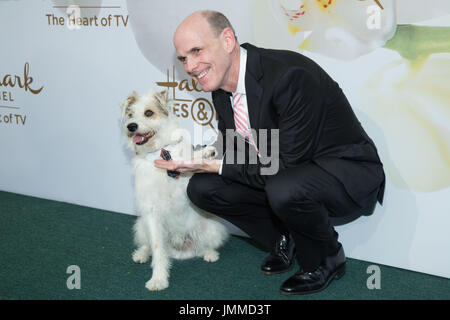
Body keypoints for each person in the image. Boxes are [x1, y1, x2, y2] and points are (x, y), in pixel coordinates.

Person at [155, 10, 385, 295]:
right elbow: (235, 148)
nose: (190, 66)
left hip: (347, 171)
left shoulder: (289, 76)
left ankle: (326, 258)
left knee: (282, 187)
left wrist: (218, 165)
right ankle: (284, 237)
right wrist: (193, 157)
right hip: (288, 172)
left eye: (196, 51)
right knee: (202, 188)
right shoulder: (220, 88)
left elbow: (283, 166)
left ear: (227, 40)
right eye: (183, 58)